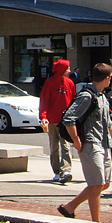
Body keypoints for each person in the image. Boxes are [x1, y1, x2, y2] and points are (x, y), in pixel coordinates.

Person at [58, 63, 112, 223]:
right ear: (107, 78)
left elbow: (108, 124)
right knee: (96, 184)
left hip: (104, 144)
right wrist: (76, 140)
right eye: (110, 76)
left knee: (104, 184)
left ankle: (70, 207)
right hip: (90, 144)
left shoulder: (102, 96)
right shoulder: (87, 95)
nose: (111, 79)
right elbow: (69, 118)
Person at [38, 58, 76, 186]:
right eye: (68, 68)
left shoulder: (70, 83)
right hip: (53, 120)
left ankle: (65, 171)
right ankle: (56, 171)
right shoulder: (49, 83)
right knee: (54, 147)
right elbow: (44, 100)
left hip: (65, 121)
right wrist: (43, 116)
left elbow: (73, 101)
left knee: (65, 146)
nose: (70, 70)